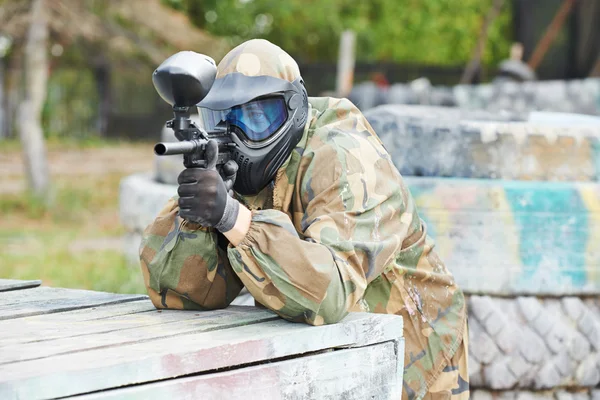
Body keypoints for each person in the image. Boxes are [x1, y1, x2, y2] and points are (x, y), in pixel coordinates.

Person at [139, 39, 468, 400]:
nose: (237, 134)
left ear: (293, 108)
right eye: (223, 119)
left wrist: (231, 216)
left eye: (257, 117)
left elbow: (329, 293)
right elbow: (180, 295)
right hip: (331, 357)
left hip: (418, 361)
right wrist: (199, 218)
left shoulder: (344, 157)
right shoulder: (236, 163)